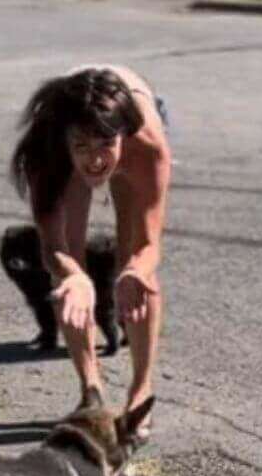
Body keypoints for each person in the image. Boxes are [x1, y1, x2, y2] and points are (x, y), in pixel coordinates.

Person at [10, 65, 171, 429]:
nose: (96, 160)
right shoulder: (47, 151)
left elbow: (150, 244)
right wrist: (73, 275)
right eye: (82, 147)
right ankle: (90, 390)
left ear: (121, 138)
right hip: (61, 135)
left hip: (132, 117)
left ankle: (141, 391)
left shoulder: (146, 146)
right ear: (66, 141)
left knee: (135, 269)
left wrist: (134, 270)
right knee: (70, 280)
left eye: (105, 147)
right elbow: (54, 247)